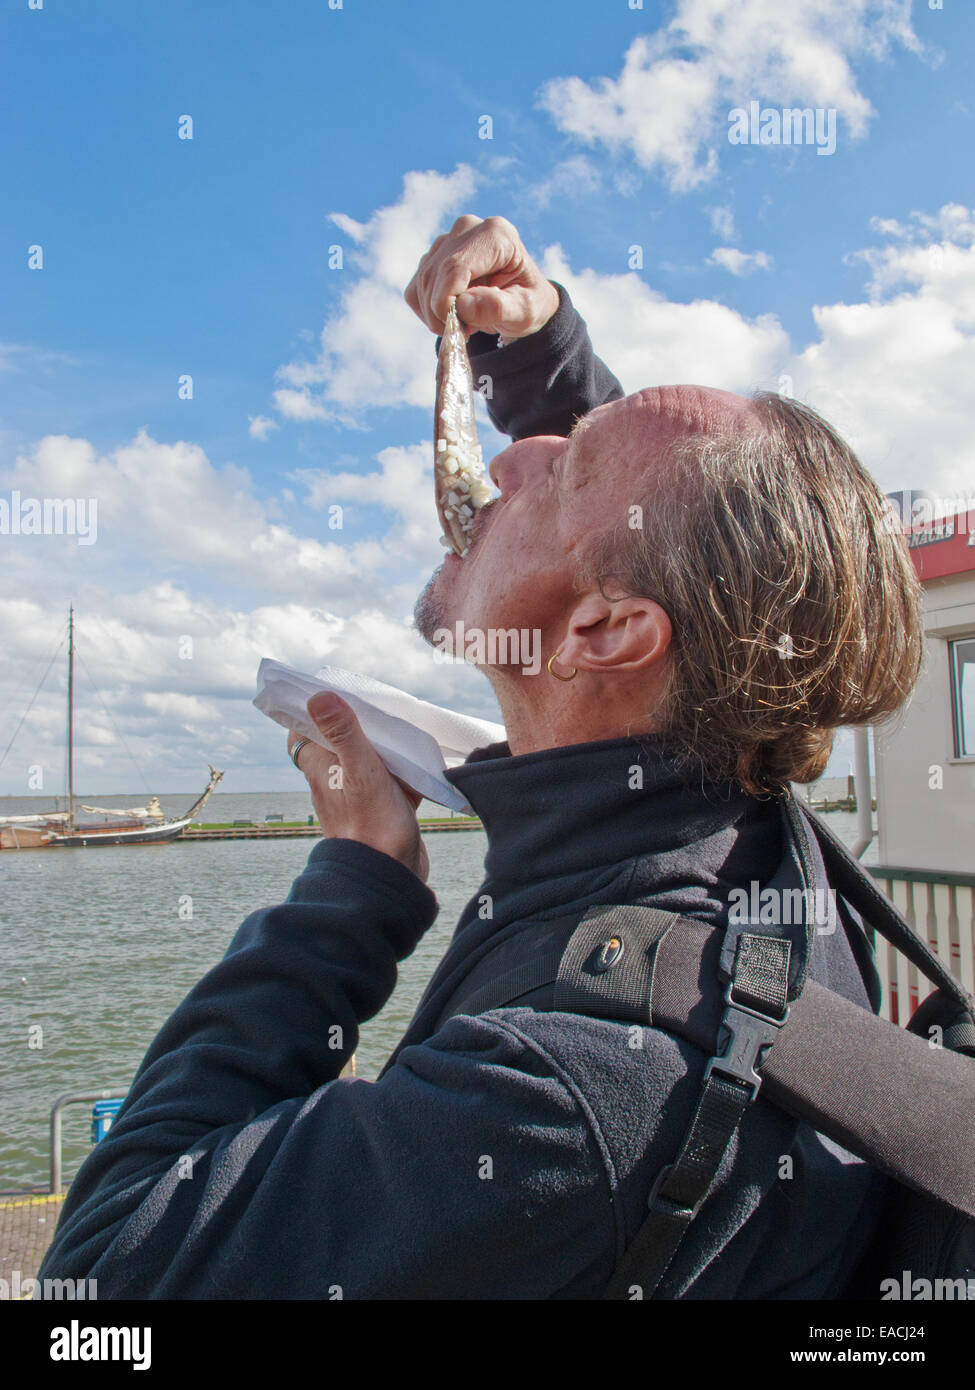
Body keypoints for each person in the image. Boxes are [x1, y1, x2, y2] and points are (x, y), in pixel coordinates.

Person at [38, 215, 922, 1300]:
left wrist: (356, 883)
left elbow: (106, 1281)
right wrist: (535, 342)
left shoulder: (564, 1099)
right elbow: (672, 535)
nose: (513, 453)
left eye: (563, 468)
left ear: (608, 632)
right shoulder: (748, 818)